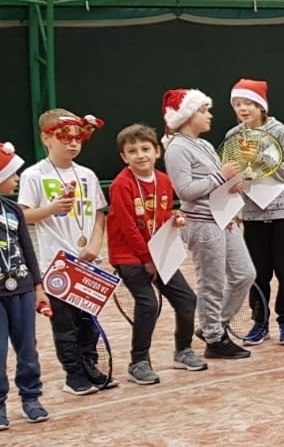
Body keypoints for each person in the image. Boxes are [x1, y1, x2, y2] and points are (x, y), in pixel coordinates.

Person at [17, 108, 117, 392]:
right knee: (65, 324)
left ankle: (90, 367)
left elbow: (99, 213)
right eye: (65, 138)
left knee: (88, 321)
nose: (73, 144)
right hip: (56, 264)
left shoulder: (87, 175)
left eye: (78, 138)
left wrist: (97, 243)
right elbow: (22, 215)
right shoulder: (33, 175)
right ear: (46, 139)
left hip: (87, 261)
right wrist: (50, 209)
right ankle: (74, 375)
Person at [106, 123, 205, 382]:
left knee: (187, 301)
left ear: (157, 151)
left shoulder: (164, 181)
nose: (140, 155)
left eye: (145, 149)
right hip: (130, 256)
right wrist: (147, 259)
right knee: (148, 304)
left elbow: (159, 217)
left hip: (159, 253)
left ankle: (183, 351)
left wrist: (176, 217)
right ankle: (138, 362)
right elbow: (127, 226)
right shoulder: (121, 185)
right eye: (132, 151)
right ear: (123, 157)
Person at [162, 88, 254, 360]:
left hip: (223, 219)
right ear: (188, 115)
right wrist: (220, 176)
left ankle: (213, 326)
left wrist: (232, 184)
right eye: (203, 110)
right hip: (202, 223)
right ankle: (214, 338)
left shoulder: (202, 144)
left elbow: (216, 182)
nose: (209, 115)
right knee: (211, 282)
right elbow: (185, 191)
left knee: (245, 274)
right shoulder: (177, 148)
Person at [226, 79, 284, 346]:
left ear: (261, 105)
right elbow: (229, 175)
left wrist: (262, 162)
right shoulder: (233, 136)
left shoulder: (280, 132)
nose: (243, 109)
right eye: (237, 104)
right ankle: (260, 323)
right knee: (257, 274)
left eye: (248, 103)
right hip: (252, 216)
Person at [0, 141, 50, 427]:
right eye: (11, 173)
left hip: (21, 290)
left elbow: (27, 250)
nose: (17, 179)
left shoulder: (13, 210)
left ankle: (31, 397)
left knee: (27, 349)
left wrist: (38, 286)